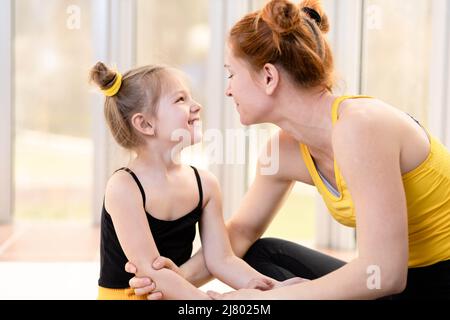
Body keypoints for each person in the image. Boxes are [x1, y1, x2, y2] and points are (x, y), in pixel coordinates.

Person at [126, 0, 450, 300]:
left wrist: (271, 299)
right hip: (403, 282)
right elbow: (240, 233)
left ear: (268, 77)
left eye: (231, 73)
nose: (227, 89)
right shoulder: (282, 152)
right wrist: (171, 282)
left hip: (434, 278)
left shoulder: (361, 126)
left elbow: (384, 274)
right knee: (263, 256)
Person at [90, 61, 299, 300]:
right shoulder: (124, 187)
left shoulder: (205, 184)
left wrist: (268, 287)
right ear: (145, 124)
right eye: (180, 100)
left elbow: (222, 259)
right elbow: (150, 271)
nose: (196, 106)